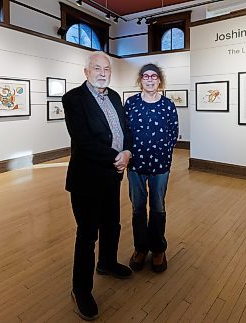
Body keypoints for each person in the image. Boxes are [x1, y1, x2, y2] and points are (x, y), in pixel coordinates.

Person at [63, 51, 133, 321]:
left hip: (112, 176)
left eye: (107, 69)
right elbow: (83, 140)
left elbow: (124, 129)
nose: (102, 73)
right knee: (87, 234)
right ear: (86, 72)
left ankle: (107, 263)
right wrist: (117, 157)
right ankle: (80, 289)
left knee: (112, 224)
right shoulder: (74, 99)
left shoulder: (115, 96)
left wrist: (127, 153)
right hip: (87, 179)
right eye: (97, 68)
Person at [124, 63, 179, 273]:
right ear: (140, 80)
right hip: (136, 165)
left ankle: (158, 249)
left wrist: (165, 154)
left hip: (160, 166)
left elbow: (173, 132)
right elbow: (125, 131)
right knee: (138, 209)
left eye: (153, 76)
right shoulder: (131, 104)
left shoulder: (167, 105)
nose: (149, 79)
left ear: (159, 80)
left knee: (157, 208)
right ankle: (140, 248)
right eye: (145, 76)